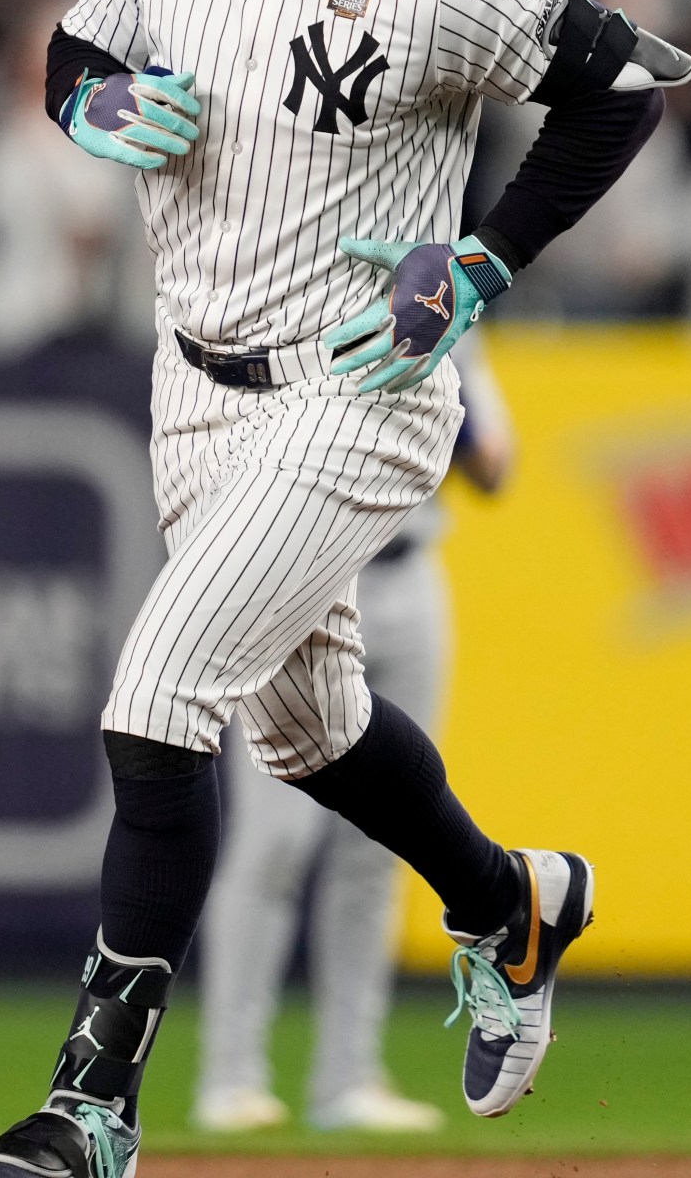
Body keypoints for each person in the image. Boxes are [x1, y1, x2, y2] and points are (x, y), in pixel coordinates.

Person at [0, 0, 691, 1173]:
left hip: (360, 382)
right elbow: (73, 45)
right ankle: (513, 902)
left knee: (161, 695)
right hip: (199, 385)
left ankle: (90, 1109)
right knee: (309, 733)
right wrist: (85, 103)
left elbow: (626, 86)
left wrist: (479, 262)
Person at [192, 337, 512, 1137]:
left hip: (411, 576)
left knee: (383, 846)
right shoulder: (294, 308)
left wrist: (435, 365)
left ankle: (347, 1077)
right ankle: (229, 1077)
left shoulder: (449, 318)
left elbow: (496, 468)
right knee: (276, 840)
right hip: (301, 576)